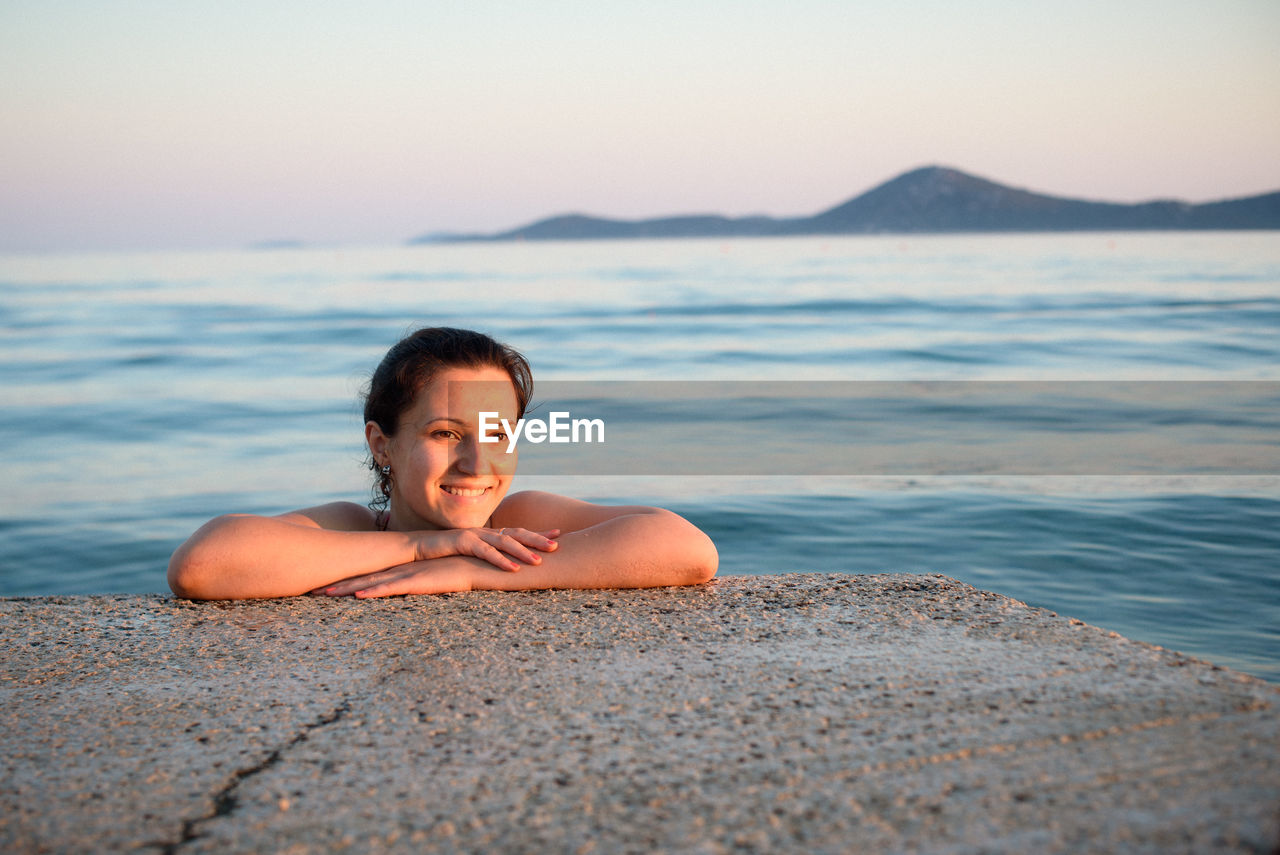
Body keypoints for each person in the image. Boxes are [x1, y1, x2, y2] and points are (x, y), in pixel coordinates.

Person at [168, 326, 718, 599]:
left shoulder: (515, 520)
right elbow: (202, 566)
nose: (477, 462)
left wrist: (471, 570)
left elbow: (688, 550)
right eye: (445, 433)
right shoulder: (354, 526)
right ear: (381, 444)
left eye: (498, 432)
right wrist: (421, 545)